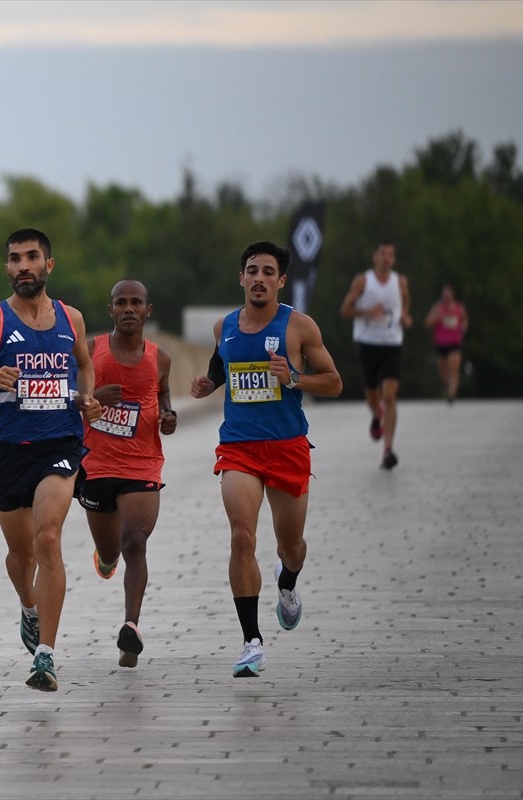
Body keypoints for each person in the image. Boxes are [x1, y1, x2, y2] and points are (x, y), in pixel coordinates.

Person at [0, 228, 101, 692]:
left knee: (48, 537)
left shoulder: (71, 318)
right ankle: (28, 606)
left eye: (31, 257)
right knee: (21, 554)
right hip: (6, 450)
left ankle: (46, 656)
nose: (22, 267)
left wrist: (87, 397)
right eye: (14, 259)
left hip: (59, 444)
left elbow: (85, 363)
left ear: (49, 265)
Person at [191, 240, 341, 678]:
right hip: (238, 446)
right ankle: (251, 642)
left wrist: (293, 378)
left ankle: (288, 582)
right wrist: (207, 385)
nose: (259, 278)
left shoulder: (299, 327)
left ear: (280, 280)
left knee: (290, 547)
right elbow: (221, 368)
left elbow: (333, 382)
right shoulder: (225, 327)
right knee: (242, 537)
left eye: (268, 271)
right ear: (241, 278)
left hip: (287, 446)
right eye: (252, 270)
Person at [78, 279, 176, 669]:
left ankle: (130, 627)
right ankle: (105, 558)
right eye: (122, 303)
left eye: (137, 302)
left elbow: (163, 391)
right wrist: (91, 399)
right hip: (97, 463)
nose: (130, 308)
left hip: (142, 463)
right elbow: (68, 393)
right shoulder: (91, 352)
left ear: (148, 311)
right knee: (111, 550)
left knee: (135, 541)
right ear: (111, 310)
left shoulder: (160, 358)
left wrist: (168, 415)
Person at [339, 242, 411, 470]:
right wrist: (366, 312)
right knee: (372, 395)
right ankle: (375, 415)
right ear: (374, 257)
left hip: (392, 343)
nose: (386, 258)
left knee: (389, 396)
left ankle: (388, 449)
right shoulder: (363, 281)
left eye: (390, 254)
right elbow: (345, 310)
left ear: (394, 259)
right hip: (368, 344)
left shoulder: (400, 282)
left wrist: (405, 315)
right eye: (382, 254)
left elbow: (405, 301)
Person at [424, 283, 468, 403]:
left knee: (454, 368)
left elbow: (464, 321)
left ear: (453, 294)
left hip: (455, 342)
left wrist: (463, 327)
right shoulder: (437, 308)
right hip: (441, 342)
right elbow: (427, 323)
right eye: (445, 293)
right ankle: (446, 384)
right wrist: (437, 318)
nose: (446, 295)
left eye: (449, 293)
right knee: (443, 370)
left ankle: (451, 394)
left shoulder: (459, 308)